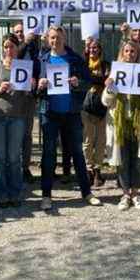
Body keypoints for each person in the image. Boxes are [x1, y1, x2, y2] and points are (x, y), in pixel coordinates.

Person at [36, 26, 102, 210]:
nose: (55, 41)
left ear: (64, 38)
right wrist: (39, 85)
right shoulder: (42, 60)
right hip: (49, 112)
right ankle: (46, 195)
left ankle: (87, 192)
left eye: (57, 37)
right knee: (48, 155)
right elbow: (33, 87)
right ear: (48, 40)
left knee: (78, 153)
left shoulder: (75, 59)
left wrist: (77, 82)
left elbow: (88, 81)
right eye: (51, 38)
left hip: (72, 112)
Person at [103, 41, 140, 211]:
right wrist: (110, 87)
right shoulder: (115, 72)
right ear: (122, 52)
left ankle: (136, 193)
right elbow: (105, 101)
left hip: (138, 125)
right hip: (120, 125)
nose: (129, 54)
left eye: (133, 51)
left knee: (138, 160)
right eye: (126, 51)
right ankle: (125, 194)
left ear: (137, 53)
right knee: (122, 160)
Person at [0, 34, 34, 207]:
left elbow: (28, 94)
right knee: (0, 157)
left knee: (14, 158)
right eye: (6, 46)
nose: (8, 50)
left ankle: (16, 193)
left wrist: (30, 87)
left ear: (17, 48)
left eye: (12, 46)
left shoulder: (24, 68)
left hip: (17, 117)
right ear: (2, 48)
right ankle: (2, 193)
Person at [82, 38, 111, 187]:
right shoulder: (83, 64)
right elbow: (85, 79)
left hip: (102, 106)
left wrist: (94, 79)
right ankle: (88, 168)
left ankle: (98, 168)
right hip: (87, 106)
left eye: (95, 48)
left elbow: (106, 80)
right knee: (87, 140)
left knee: (101, 141)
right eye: (90, 48)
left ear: (99, 50)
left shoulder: (106, 65)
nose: (93, 50)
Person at [15, 22, 41, 183]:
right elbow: (16, 56)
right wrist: (25, 42)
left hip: (29, 96)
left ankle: (25, 168)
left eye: (21, 31)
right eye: (17, 32)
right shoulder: (13, 47)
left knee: (27, 134)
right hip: (14, 97)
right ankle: (14, 167)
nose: (19, 34)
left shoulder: (34, 48)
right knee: (14, 134)